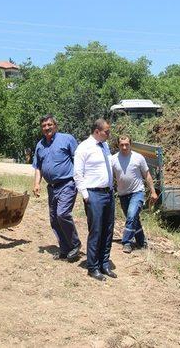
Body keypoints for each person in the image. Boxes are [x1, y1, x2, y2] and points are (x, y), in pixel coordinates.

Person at [32, 114, 81, 261]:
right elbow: (38, 167)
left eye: (49, 125)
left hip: (67, 184)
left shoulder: (67, 139)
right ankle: (65, 248)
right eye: (44, 126)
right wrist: (36, 184)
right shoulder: (40, 145)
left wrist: (81, 181)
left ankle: (75, 244)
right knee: (54, 219)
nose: (46, 128)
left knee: (62, 214)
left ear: (55, 125)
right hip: (51, 187)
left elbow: (78, 160)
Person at [74, 118, 117, 281]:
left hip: (108, 193)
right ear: (97, 131)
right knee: (96, 230)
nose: (109, 134)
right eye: (107, 131)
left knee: (108, 230)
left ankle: (104, 263)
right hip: (94, 195)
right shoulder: (84, 148)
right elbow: (77, 174)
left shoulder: (105, 146)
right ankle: (93, 267)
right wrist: (86, 195)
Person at [111, 135, 158, 254]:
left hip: (137, 192)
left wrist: (153, 191)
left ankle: (126, 242)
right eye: (122, 145)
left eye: (127, 144)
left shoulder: (138, 158)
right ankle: (141, 242)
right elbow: (110, 177)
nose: (124, 147)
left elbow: (147, 175)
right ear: (118, 145)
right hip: (122, 194)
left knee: (131, 216)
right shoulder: (113, 159)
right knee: (133, 219)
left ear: (130, 144)